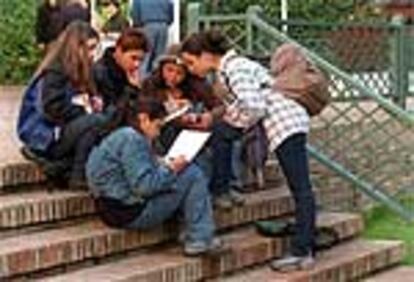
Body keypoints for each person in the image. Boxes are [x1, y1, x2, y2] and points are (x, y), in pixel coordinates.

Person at [179, 30, 316, 270]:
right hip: (287, 121)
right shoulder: (233, 67)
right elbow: (247, 104)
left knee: (301, 188)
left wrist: (233, 125)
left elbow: (253, 106)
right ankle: (221, 188)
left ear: (206, 55)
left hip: (284, 124)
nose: (190, 69)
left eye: (191, 62)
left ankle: (302, 250)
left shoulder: (235, 68)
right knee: (221, 134)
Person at [86, 95, 223, 256]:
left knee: (187, 174)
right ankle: (199, 239)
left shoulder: (120, 136)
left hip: (113, 208)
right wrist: (172, 169)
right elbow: (144, 186)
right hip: (128, 211)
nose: (158, 133)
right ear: (144, 119)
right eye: (158, 126)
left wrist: (163, 164)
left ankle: (193, 231)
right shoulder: (132, 139)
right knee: (192, 174)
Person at [17, 21, 105, 189]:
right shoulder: (55, 71)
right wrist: (83, 108)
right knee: (98, 121)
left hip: (60, 131)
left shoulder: (79, 69)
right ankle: (70, 170)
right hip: (46, 136)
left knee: (95, 126)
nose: (93, 54)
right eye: (90, 48)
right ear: (76, 46)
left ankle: (72, 173)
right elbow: (52, 109)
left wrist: (92, 101)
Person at [93, 27, 148, 109]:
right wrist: (131, 89)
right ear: (119, 51)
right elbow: (111, 113)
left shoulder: (127, 73)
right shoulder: (102, 73)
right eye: (133, 58)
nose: (137, 64)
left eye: (141, 60)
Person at [131, 0, 174, 76]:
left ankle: (143, 80)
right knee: (160, 55)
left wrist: (137, 27)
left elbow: (135, 15)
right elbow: (171, 13)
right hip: (163, 25)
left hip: (147, 25)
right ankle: (156, 78)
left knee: (145, 55)